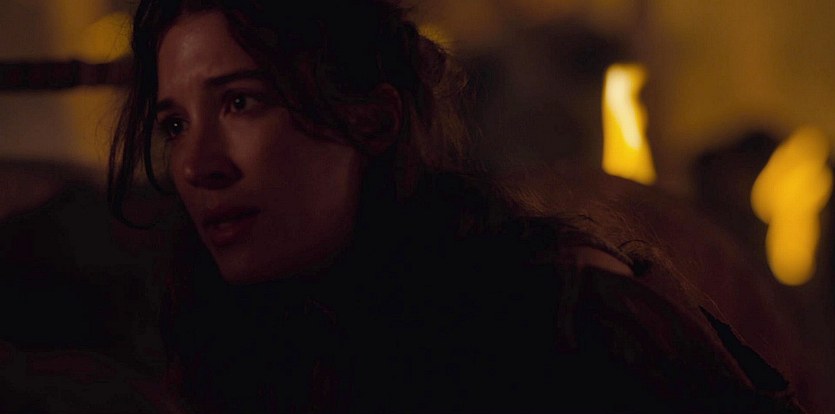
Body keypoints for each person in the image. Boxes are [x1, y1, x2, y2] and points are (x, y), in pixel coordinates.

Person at [108, 0, 809, 413]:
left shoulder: (558, 319)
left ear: (372, 120)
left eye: (240, 102)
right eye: (174, 124)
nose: (196, 164)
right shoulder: (228, 339)